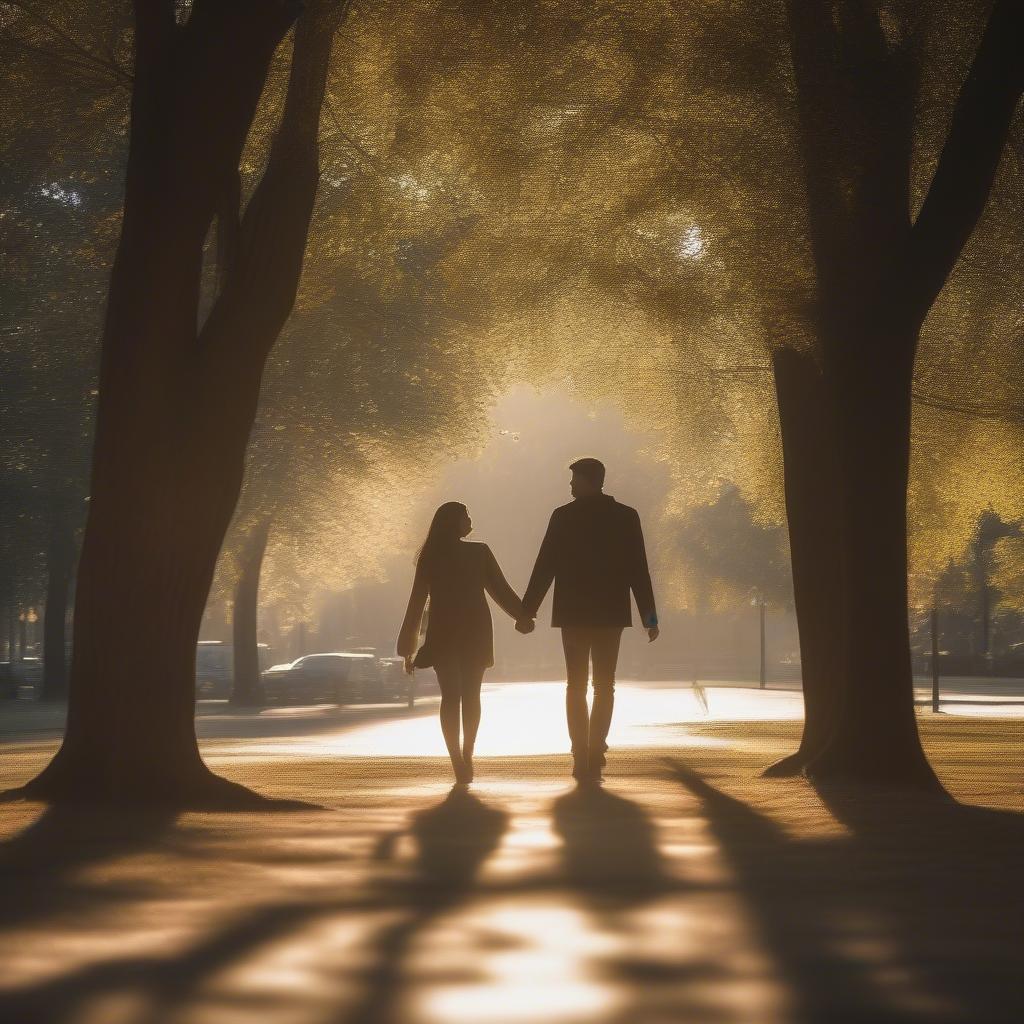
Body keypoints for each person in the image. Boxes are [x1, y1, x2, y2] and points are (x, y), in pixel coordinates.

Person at [517, 458, 658, 784]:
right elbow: (639, 568)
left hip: (573, 614)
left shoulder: (563, 517)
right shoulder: (626, 517)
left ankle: (579, 750)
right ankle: (596, 748)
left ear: (587, 480)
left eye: (574, 479)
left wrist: (527, 611)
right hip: (610, 615)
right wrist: (649, 617)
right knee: (604, 685)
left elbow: (545, 566)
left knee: (576, 685)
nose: (570, 486)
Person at [397, 502, 525, 786]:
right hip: (475, 631)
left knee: (450, 697)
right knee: (471, 696)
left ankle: (456, 756)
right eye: (466, 515)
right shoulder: (479, 552)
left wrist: (408, 647)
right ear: (454, 521)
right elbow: (500, 590)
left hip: (443, 631)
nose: (470, 520)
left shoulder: (430, 556)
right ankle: (468, 752)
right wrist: (523, 615)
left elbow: (416, 602)